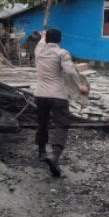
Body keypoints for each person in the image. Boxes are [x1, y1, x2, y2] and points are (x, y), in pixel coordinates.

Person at [35, 28, 89, 177]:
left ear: (46, 40)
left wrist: (42, 36)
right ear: (60, 40)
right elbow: (70, 71)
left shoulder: (38, 51)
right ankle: (54, 156)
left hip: (40, 95)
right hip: (58, 95)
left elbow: (41, 41)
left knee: (42, 123)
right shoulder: (62, 53)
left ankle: (41, 152)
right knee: (62, 125)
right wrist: (81, 86)